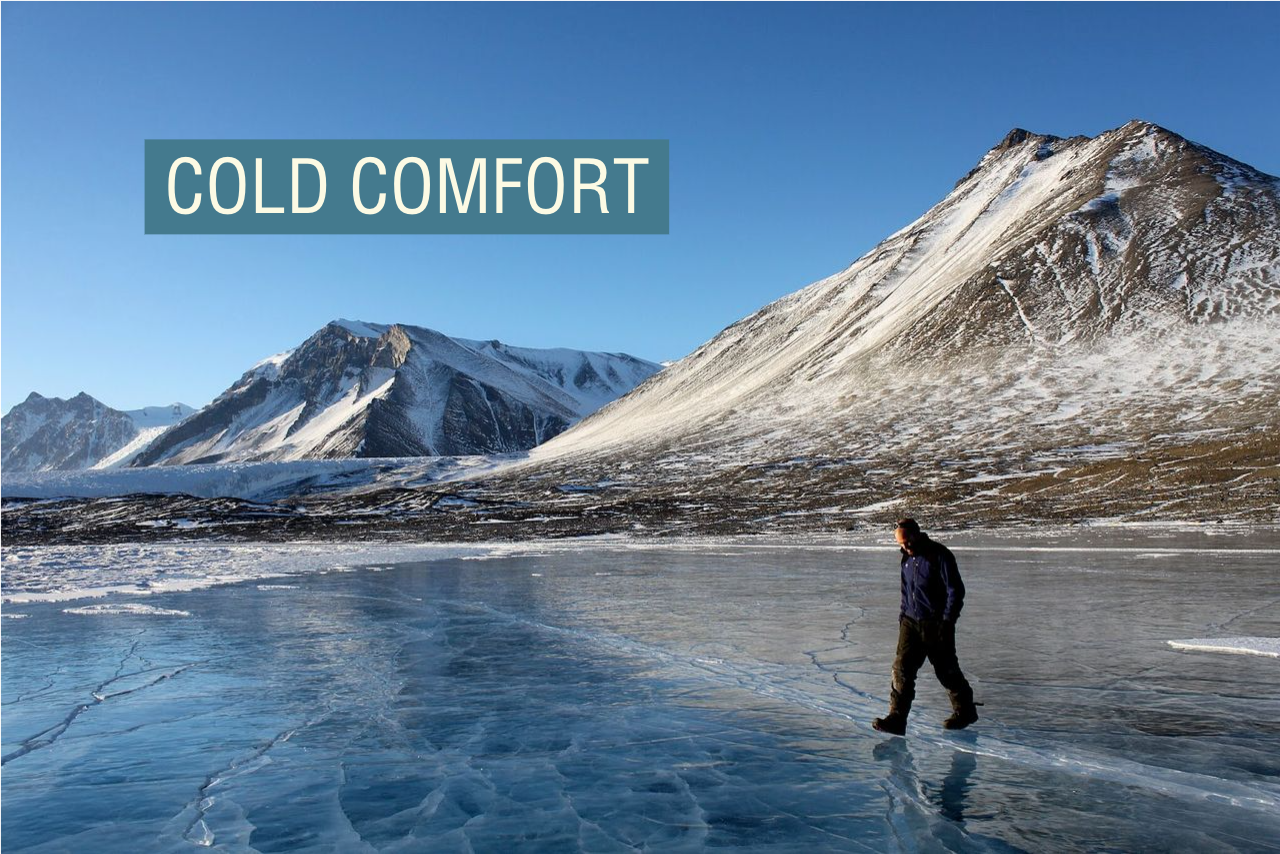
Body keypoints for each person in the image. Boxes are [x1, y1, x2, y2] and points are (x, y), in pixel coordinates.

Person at [872, 518, 979, 735]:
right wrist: (903, 616)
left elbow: (955, 591)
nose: (905, 548)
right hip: (910, 623)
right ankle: (897, 718)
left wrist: (948, 622)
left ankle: (965, 710)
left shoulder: (939, 555)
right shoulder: (906, 560)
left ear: (916, 535)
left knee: (946, 670)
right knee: (901, 669)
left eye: (907, 542)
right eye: (900, 544)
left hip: (936, 623)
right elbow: (906, 591)